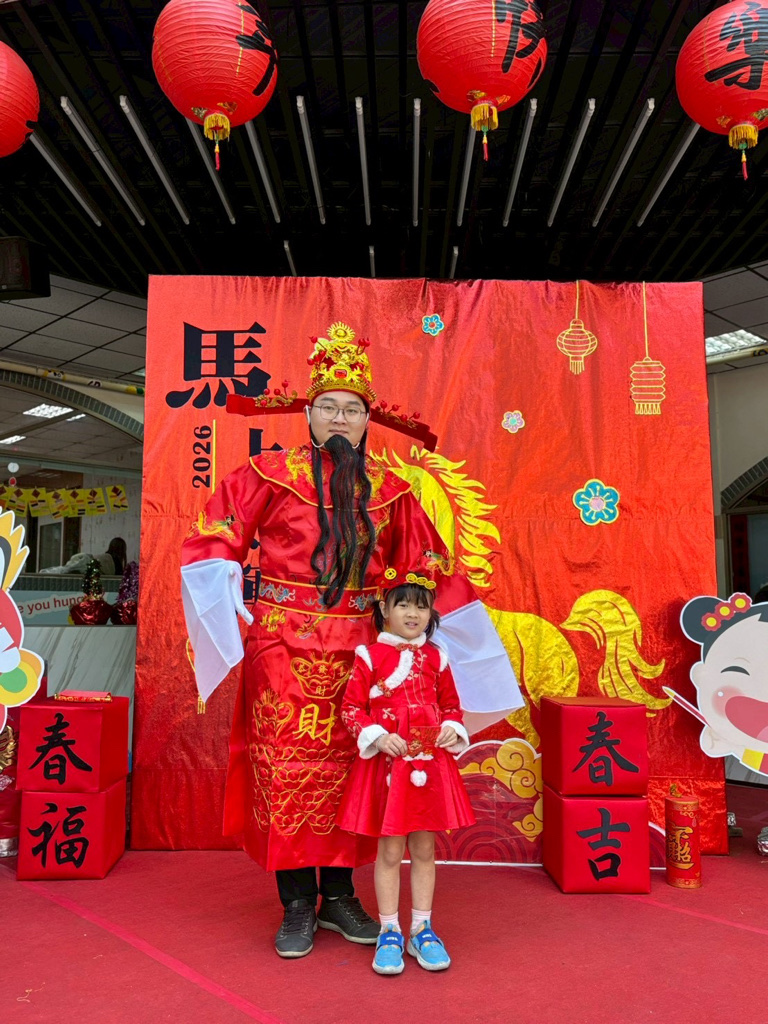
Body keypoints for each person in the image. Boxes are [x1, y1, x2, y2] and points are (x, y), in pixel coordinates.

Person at [180, 322, 523, 959]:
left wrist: (451, 638)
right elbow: (213, 538)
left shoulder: (392, 491)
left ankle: (340, 896)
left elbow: (427, 567)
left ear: (368, 421)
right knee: (287, 769)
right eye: (329, 407)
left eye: (352, 410)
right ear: (308, 414)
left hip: (366, 654)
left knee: (356, 770)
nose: (340, 419)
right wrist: (233, 601)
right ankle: (296, 903)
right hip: (282, 650)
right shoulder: (266, 473)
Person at [336, 571, 475, 975]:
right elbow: (351, 709)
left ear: (431, 613)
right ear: (384, 609)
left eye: (421, 606)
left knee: (425, 849)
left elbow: (452, 705)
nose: (413, 614)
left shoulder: (437, 658)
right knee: (391, 851)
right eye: (403, 605)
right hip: (388, 768)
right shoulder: (369, 657)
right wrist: (378, 737)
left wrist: (452, 727)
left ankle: (421, 928)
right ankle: (389, 930)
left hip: (428, 765)